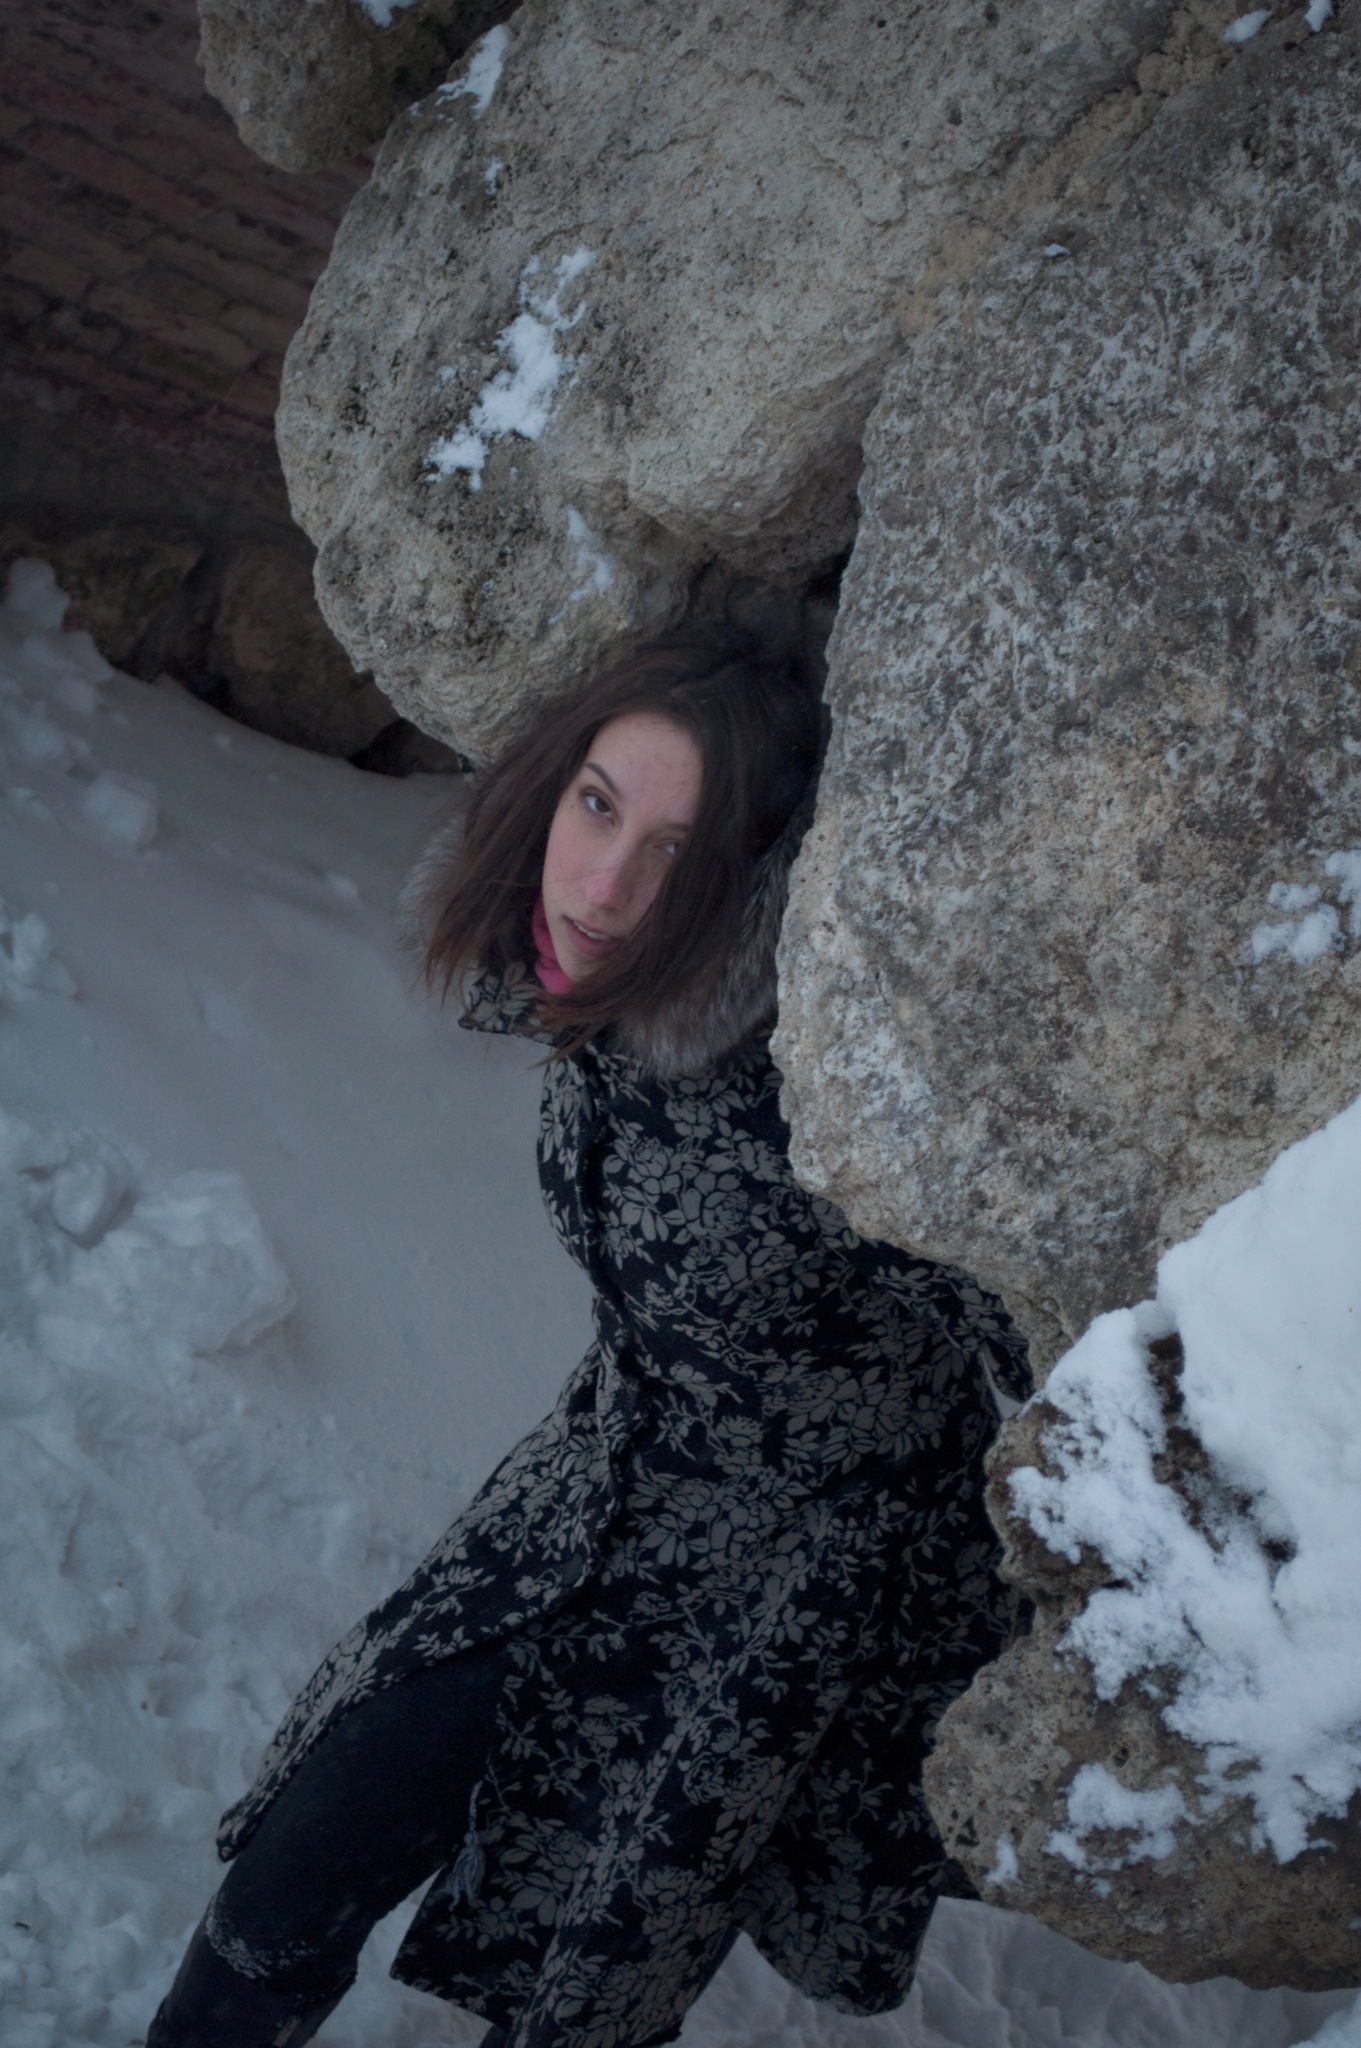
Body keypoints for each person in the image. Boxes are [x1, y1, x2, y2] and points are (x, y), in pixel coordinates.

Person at [148, 633, 1031, 2048]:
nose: (606, 885)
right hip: (582, 1499)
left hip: (772, 1606)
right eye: (599, 806)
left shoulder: (845, 1097)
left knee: (584, 1981)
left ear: (749, 882)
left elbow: (1046, 1346)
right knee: (298, 1860)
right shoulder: (611, 999)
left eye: (677, 851)